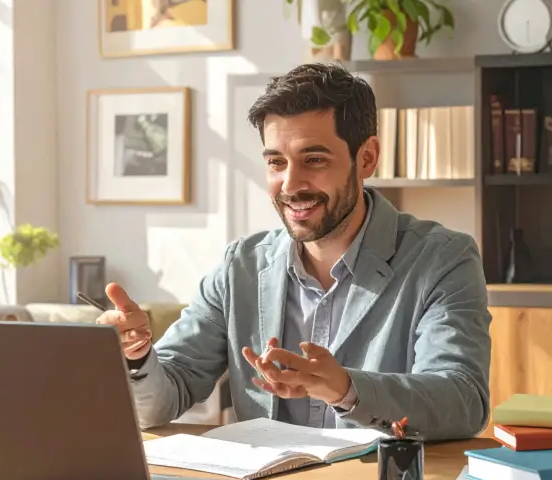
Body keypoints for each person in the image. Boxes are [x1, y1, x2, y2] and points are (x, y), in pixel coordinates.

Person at [97, 62, 492, 441]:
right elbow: (159, 402)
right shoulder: (241, 267)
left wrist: (347, 389)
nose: (290, 184)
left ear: (366, 158)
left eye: (314, 160)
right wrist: (136, 357)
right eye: (276, 163)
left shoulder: (443, 259)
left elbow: (462, 401)